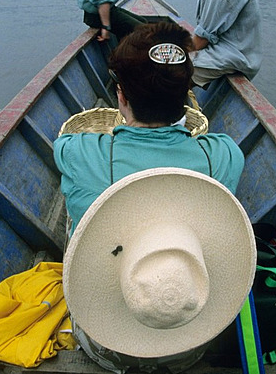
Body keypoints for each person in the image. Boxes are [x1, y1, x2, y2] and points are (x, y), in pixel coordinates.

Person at [53, 22, 249, 372]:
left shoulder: (81, 152)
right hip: (192, 344)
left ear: (121, 97)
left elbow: (63, 145)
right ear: (188, 96)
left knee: (82, 202)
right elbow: (219, 145)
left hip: (105, 347)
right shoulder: (224, 155)